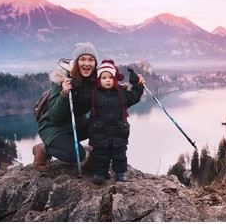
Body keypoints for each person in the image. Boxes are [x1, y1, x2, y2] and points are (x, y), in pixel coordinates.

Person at [32, 42, 99, 172]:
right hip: (54, 128)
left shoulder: (94, 80)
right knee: (77, 155)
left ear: (95, 63)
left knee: (105, 125)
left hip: (77, 125)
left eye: (91, 59)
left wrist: (134, 89)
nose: (87, 63)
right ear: (76, 62)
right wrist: (63, 94)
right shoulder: (63, 78)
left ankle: (94, 162)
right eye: (82, 59)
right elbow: (54, 117)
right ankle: (43, 149)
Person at [88, 59, 144, 185]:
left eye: (110, 77)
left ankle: (120, 173)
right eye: (104, 78)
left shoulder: (122, 93)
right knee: (100, 155)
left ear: (115, 78)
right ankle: (100, 173)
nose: (107, 80)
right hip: (99, 132)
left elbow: (134, 96)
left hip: (119, 132)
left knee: (119, 155)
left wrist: (138, 85)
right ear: (99, 80)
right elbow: (80, 99)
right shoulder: (93, 94)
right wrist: (73, 85)